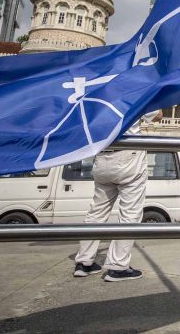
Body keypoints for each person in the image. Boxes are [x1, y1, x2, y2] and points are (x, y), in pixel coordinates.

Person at [73, 110, 162, 282]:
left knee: (96, 212)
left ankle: (84, 262)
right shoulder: (134, 87)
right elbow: (158, 115)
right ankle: (118, 267)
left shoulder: (99, 90)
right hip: (128, 155)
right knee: (130, 214)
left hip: (102, 155)